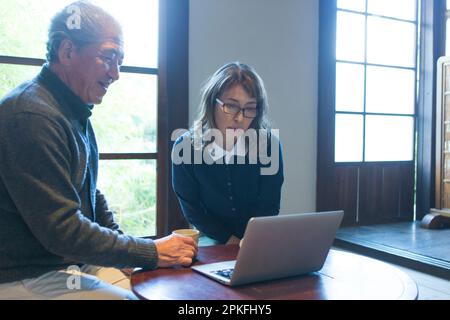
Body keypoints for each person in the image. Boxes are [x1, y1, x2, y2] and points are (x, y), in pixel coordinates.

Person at [0, 1, 196, 300]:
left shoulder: (71, 110)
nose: (116, 73)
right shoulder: (31, 116)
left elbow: (89, 194)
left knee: (166, 293)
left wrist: (131, 254)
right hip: (26, 273)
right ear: (67, 52)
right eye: (108, 57)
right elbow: (63, 231)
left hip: (69, 265)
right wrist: (149, 251)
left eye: (120, 59)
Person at [172, 62, 284, 245]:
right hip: (213, 237)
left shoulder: (268, 145)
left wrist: (250, 242)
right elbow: (193, 210)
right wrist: (230, 241)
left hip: (257, 237)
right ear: (212, 102)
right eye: (231, 106)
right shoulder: (185, 147)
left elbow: (269, 206)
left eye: (249, 109)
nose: (239, 118)